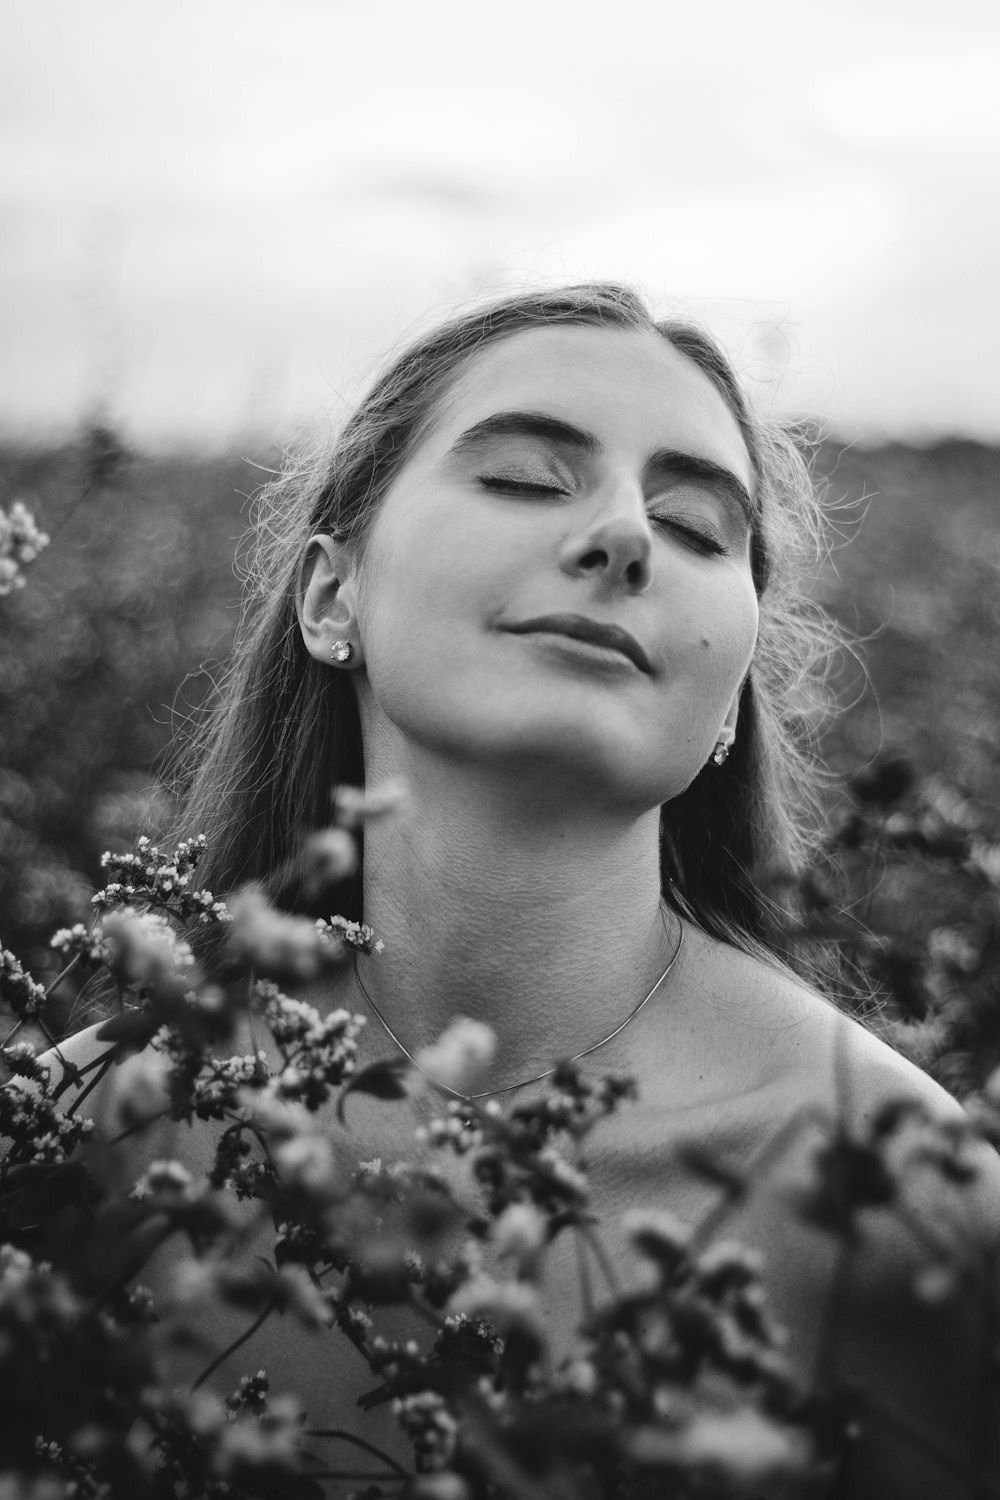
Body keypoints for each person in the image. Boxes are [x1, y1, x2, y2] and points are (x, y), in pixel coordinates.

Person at [42, 284, 1000, 1497]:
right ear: (333, 597)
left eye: (701, 527)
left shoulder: (902, 1199)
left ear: (729, 704)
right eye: (526, 480)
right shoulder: (84, 1135)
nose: (624, 537)